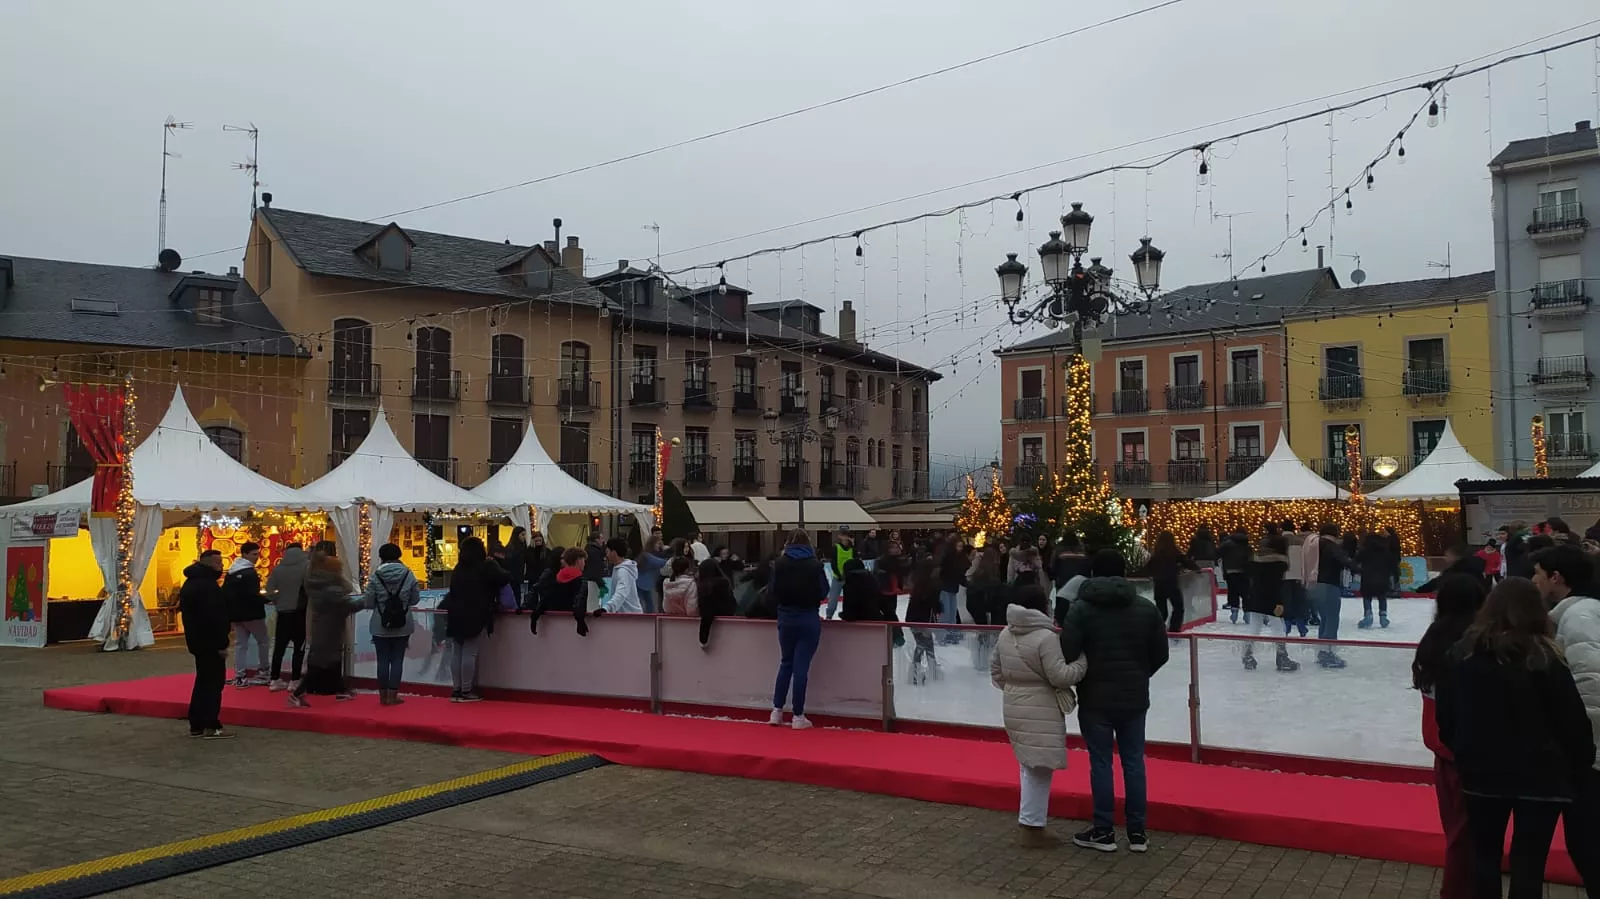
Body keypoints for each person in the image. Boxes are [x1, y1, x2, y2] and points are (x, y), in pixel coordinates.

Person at [1435, 577, 1595, 898]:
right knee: (1529, 865)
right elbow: (1572, 722)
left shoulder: (1463, 655)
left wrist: (1465, 753)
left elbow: (1447, 718)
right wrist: (1577, 767)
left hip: (1482, 774)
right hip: (1542, 777)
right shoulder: (1548, 658)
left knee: (1484, 858)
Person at [1060, 549, 1169, 854]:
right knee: (1134, 762)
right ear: (1124, 573)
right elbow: (1161, 653)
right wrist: (1139, 672)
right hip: (1134, 697)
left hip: (1095, 697)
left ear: (1092, 574)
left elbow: (1068, 650)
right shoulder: (1146, 609)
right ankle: (1137, 832)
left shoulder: (1081, 609)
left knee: (1101, 762)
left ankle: (1104, 830)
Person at [991, 583, 1088, 847]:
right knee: (1040, 767)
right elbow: (1060, 676)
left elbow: (996, 672)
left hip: (1014, 704)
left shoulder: (1005, 634)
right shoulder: (1046, 638)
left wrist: (1016, 690)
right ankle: (1032, 826)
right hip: (1041, 707)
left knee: (1028, 763)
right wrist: (1081, 662)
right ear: (1043, 606)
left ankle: (1031, 822)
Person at [1411, 573, 1489, 899]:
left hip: (1443, 751)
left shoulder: (1434, 639)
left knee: (1460, 830)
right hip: (1470, 752)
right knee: (1466, 834)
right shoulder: (1473, 644)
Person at [1531, 544, 1600, 891]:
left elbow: (1592, 685)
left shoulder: (1578, 617)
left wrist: (1586, 753)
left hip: (1590, 760)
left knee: (1588, 844)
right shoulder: (1575, 614)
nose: (1535, 581)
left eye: (1538, 574)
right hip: (1586, 755)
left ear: (1556, 578)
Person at [769, 529, 828, 729]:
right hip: (808, 617)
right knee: (800, 667)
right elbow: (824, 590)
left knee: (785, 663)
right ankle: (798, 715)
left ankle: (776, 711)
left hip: (785, 617)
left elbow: (772, 590)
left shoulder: (779, 564)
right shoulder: (814, 565)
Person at [287, 543, 359, 707]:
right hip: (330, 621)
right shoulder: (331, 581)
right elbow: (347, 590)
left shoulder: (311, 576)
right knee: (324, 658)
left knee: (321, 657)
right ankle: (301, 692)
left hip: (319, 619)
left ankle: (336, 688)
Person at [438, 536, 508, 703]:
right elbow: (505, 577)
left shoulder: (458, 568)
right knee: (470, 651)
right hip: (475, 612)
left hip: (455, 612)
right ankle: (467, 690)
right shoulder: (486, 565)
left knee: (457, 652)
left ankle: (456, 689)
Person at [178, 550, 232, 739]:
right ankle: (211, 724)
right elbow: (215, 618)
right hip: (210, 642)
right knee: (213, 683)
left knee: (202, 681)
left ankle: (197, 724)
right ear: (209, 564)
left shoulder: (191, 584)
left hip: (197, 641)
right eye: (218, 562)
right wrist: (222, 643)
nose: (221, 566)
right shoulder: (208, 587)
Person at [362, 542, 421, 706]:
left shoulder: (375, 576)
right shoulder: (408, 575)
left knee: (382, 661)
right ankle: (393, 695)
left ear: (381, 557)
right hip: (403, 624)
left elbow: (368, 602)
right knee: (397, 660)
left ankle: (382, 696)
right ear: (399, 555)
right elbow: (415, 599)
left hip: (380, 624)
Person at [1304, 523, 1357, 668]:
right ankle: (1328, 653)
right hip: (1329, 585)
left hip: (1313, 585)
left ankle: (1322, 650)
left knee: (1324, 619)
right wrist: (1359, 569)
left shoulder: (1313, 545)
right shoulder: (1331, 546)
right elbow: (1344, 561)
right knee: (1332, 619)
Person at [1241, 535, 1297, 672]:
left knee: (1254, 627)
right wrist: (1279, 602)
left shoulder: (1255, 559)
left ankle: (1247, 655)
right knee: (1278, 628)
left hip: (1255, 597)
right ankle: (1282, 657)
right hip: (1272, 599)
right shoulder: (1280, 563)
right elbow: (1277, 585)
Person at [264, 542, 309, 692]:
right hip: (300, 613)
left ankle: (274, 679)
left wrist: (278, 600)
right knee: (299, 648)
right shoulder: (307, 567)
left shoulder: (278, 569)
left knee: (279, 647)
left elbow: (269, 591)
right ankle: (295, 680)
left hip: (283, 613)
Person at [223, 542, 268, 687]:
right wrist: (268, 599)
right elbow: (252, 595)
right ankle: (264, 671)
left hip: (236, 615)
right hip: (253, 614)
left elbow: (226, 593)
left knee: (240, 644)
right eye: (254, 554)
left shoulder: (231, 572)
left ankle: (239, 675)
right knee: (263, 641)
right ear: (245, 554)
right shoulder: (250, 572)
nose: (257, 557)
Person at [1144, 531, 1197, 635]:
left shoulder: (1156, 554)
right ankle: (1174, 630)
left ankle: (1156, 630)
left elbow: (1148, 568)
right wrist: (1197, 569)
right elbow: (1186, 562)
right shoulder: (1174, 552)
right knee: (1178, 608)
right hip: (1171, 584)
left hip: (1159, 585)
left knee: (1161, 611)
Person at [530, 547, 588, 636]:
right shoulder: (580, 581)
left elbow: (546, 598)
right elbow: (580, 600)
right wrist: (580, 620)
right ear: (578, 561)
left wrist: (535, 616)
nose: (584, 564)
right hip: (571, 624)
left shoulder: (556, 578)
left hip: (552, 623)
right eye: (584, 560)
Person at [906, 556, 943, 684]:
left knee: (924, 645)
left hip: (915, 620)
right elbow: (934, 603)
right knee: (924, 646)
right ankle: (919, 674)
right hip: (921, 621)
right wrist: (939, 609)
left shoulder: (921, 584)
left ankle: (926, 672)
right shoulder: (930, 585)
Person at [695, 558, 737, 647]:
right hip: (728, 621)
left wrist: (703, 639)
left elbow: (706, 612)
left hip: (709, 623)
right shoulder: (723, 583)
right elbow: (732, 604)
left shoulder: (701, 586)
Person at [1358, 531, 1395, 629]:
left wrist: (1359, 570)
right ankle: (1383, 617)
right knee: (1382, 597)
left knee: (1367, 597)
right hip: (1383, 579)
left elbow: (1356, 561)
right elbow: (1393, 565)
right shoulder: (1386, 552)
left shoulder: (1364, 551)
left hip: (1367, 579)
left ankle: (1368, 615)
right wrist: (1394, 576)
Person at [1417, 543, 1489, 593]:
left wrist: (1420, 590)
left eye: (1447, 556)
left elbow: (1437, 582)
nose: (1445, 558)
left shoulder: (1455, 571)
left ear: (1456, 557)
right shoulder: (1476, 568)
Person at [936, 537, 969, 643]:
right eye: (958, 546)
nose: (960, 549)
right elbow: (948, 572)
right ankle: (942, 636)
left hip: (953, 588)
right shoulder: (948, 558)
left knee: (952, 613)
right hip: (945, 587)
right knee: (946, 613)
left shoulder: (959, 558)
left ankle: (951, 634)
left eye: (961, 547)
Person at [598, 537, 642, 614]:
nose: (606, 556)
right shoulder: (619, 569)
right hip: (627, 616)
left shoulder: (623, 571)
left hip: (629, 618)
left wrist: (607, 608)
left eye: (607, 552)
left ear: (614, 552)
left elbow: (621, 592)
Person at [1220, 528, 1253, 624]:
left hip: (1230, 571)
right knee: (1245, 592)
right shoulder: (1247, 545)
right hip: (1244, 571)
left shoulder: (1227, 545)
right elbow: (1251, 558)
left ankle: (1234, 612)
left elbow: (1217, 553)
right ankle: (1247, 613)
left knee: (1233, 592)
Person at [824, 527, 856, 619]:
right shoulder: (836, 548)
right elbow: (833, 563)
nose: (846, 538)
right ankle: (829, 615)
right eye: (844, 535)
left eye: (847, 535)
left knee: (850, 598)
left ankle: (848, 614)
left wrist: (853, 545)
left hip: (849, 578)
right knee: (833, 598)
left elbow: (855, 562)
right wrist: (838, 574)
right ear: (840, 536)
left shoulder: (852, 549)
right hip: (838, 577)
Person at [635, 536, 669, 614]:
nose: (659, 546)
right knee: (645, 604)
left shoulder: (646, 555)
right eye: (658, 544)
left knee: (648, 604)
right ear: (652, 544)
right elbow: (660, 562)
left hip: (642, 583)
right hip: (643, 583)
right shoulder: (647, 556)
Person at [503, 527, 529, 611]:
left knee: (517, 593)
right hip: (512, 575)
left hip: (518, 575)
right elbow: (508, 562)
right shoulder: (511, 547)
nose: (524, 537)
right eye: (522, 535)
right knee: (514, 593)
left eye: (525, 535)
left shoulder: (522, 547)